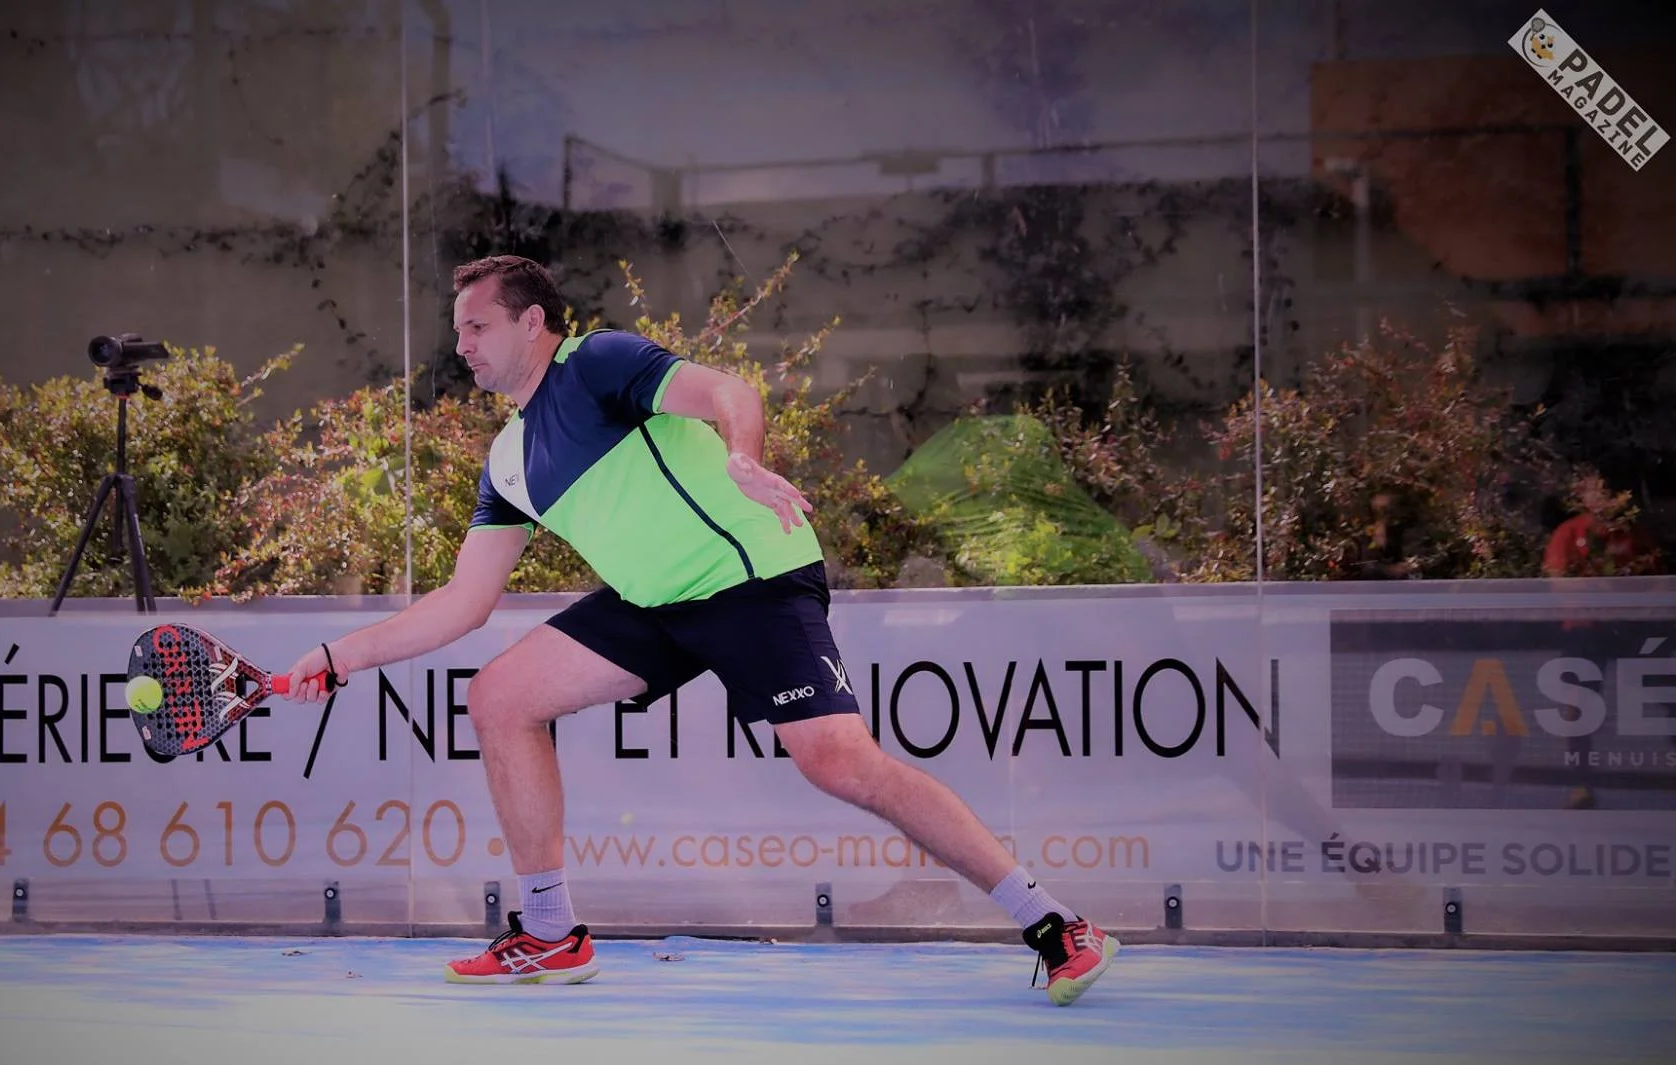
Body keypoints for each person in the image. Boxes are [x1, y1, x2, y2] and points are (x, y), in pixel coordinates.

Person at [286, 255, 1118, 1003]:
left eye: (477, 326)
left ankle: (1055, 923)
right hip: (656, 601)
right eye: (458, 329)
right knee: (501, 697)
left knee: (840, 761)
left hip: (749, 576)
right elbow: (464, 602)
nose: (462, 344)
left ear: (531, 322)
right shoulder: (507, 460)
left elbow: (732, 394)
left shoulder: (596, 362)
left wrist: (741, 457)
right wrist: (337, 655)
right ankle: (549, 933)